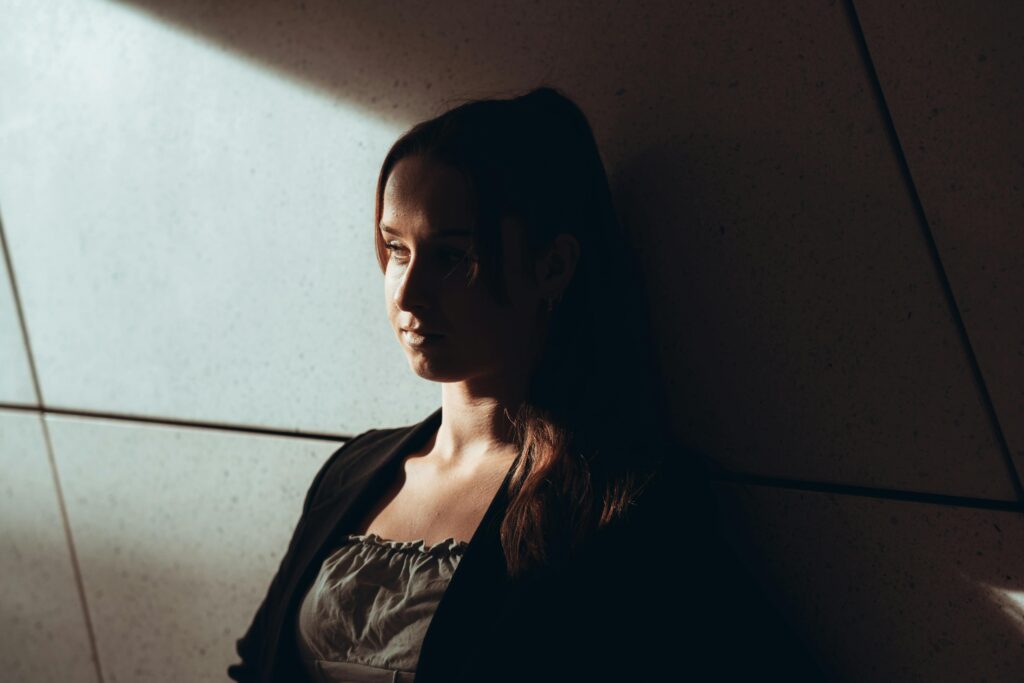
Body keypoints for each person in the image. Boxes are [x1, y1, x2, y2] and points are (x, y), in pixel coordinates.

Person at [227, 86, 827, 682]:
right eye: (396, 249)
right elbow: (258, 667)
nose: (407, 293)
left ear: (552, 267)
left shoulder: (628, 503)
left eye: (452, 257)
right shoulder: (353, 470)